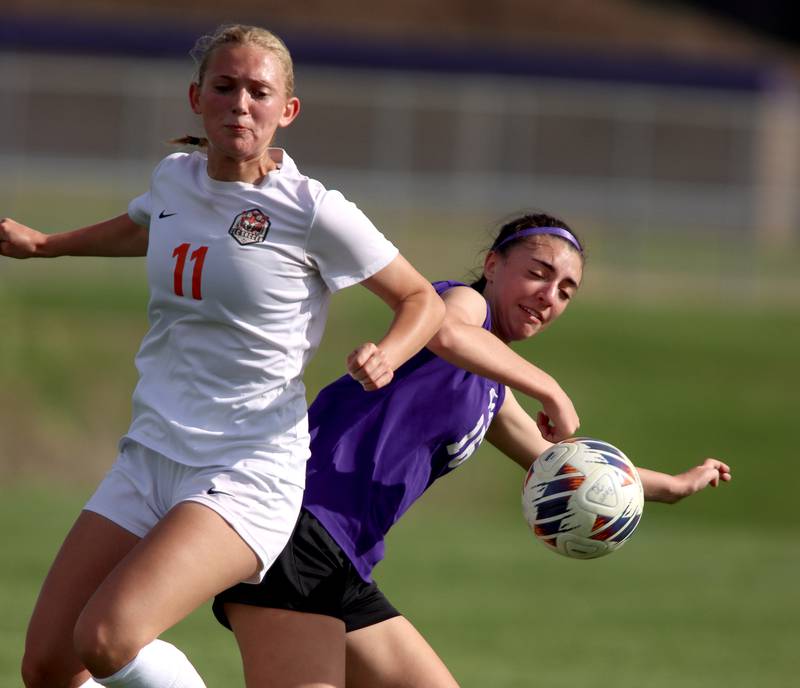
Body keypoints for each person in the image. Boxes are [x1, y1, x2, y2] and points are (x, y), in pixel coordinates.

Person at [1, 23, 461, 688]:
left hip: (244, 471)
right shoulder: (173, 182)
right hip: (149, 454)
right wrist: (47, 245)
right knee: (47, 667)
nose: (240, 103)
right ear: (197, 97)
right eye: (225, 86)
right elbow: (143, 228)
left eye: (258, 91)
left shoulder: (311, 210)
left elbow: (421, 298)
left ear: (286, 111)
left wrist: (390, 353)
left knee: (108, 639)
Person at [211, 213, 732, 688]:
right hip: (296, 525)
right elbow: (443, 330)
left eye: (566, 290)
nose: (549, 294)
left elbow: (564, 465)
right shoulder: (465, 304)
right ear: (492, 264)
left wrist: (672, 486)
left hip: (342, 556)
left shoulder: (491, 387)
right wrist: (550, 388)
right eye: (538, 272)